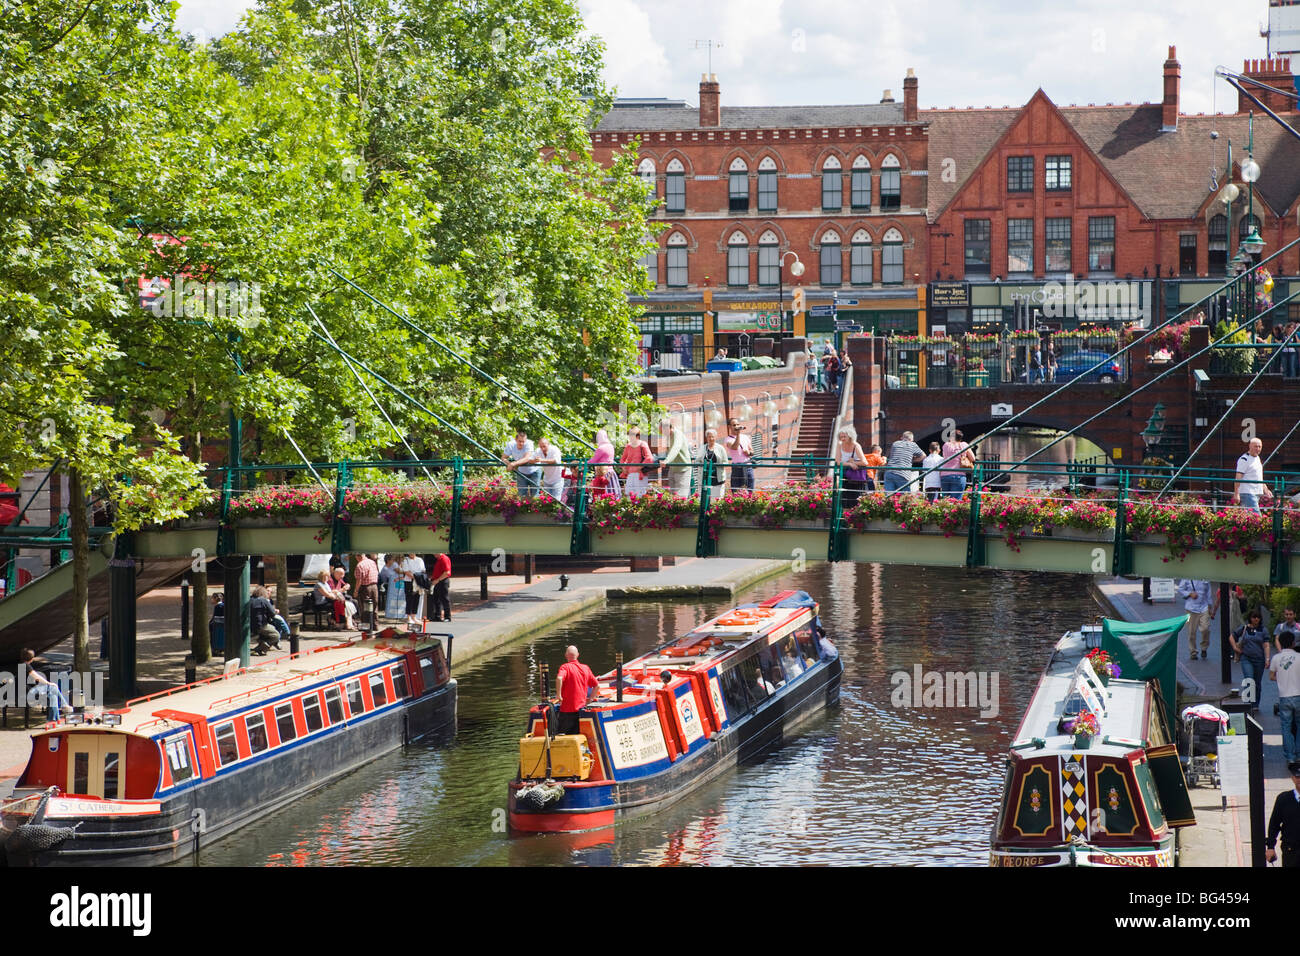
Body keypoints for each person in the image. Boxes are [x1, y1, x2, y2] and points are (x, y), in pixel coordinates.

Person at [1231, 610, 1271, 713]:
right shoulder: (1244, 628)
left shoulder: (1263, 630)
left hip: (1259, 659)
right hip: (1246, 658)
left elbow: (1266, 644)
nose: (1256, 619)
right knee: (1249, 679)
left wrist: (1267, 658)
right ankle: (1248, 703)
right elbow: (1232, 636)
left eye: (1258, 617)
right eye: (1254, 617)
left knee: (1257, 682)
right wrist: (1235, 648)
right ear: (1250, 618)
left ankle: (1255, 704)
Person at [1269, 632, 1300, 767]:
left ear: (1280, 643)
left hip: (1284, 696)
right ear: (1293, 643)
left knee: (1286, 727)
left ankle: (1290, 757)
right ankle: (1299, 754)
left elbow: (1271, 676)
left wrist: (1281, 678)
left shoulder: (1276, 658)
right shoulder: (1299, 657)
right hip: (1298, 695)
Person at [556, 645, 600, 736]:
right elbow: (597, 686)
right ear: (578, 655)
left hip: (566, 711)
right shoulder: (585, 668)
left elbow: (559, 678)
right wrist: (591, 699)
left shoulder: (565, 667)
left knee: (563, 737)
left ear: (566, 655)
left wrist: (559, 695)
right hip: (581, 711)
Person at [1264, 762, 1300, 868]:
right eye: (1297, 777)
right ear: (1292, 778)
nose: (1299, 780)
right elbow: (1274, 824)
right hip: (1291, 850)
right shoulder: (1283, 799)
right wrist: (1270, 846)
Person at [19, 649, 69, 721]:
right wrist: (48, 683)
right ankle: (64, 705)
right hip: (28, 691)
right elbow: (37, 677)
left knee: (52, 694)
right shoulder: (26, 666)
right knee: (53, 688)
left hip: (26, 690)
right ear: (32, 659)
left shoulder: (20, 665)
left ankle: (53, 719)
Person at [1176, 579, 1218, 661]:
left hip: (1204, 607)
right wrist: (1190, 594)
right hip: (1190, 608)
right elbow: (1180, 588)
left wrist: (1210, 606)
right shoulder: (1187, 577)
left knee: (1205, 628)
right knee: (1191, 631)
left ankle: (1204, 647)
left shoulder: (1205, 578)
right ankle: (1193, 652)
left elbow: (1208, 593)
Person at [1233, 437, 1271, 512]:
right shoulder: (1244, 459)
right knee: (1256, 517)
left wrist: (1266, 489)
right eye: (1255, 446)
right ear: (1250, 446)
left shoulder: (1257, 458)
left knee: (1251, 517)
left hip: (1256, 492)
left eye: (1259, 446)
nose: (1258, 449)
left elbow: (1258, 476)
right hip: (1248, 492)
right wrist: (1236, 493)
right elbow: (1238, 477)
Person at [837, 426, 871, 507]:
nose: (842, 439)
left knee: (856, 498)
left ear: (850, 436)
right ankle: (846, 517)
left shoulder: (856, 446)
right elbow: (838, 461)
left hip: (856, 476)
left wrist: (854, 462)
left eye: (844, 436)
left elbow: (865, 462)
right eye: (841, 437)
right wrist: (850, 464)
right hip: (845, 475)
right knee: (845, 499)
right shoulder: (840, 444)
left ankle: (855, 517)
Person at [503, 429, 541, 498]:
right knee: (521, 495)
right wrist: (509, 463)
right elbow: (503, 458)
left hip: (534, 470)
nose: (521, 443)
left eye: (523, 442)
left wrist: (513, 464)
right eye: (519, 441)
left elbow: (527, 458)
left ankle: (533, 508)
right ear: (515, 440)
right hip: (521, 471)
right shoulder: (511, 444)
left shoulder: (529, 443)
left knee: (535, 495)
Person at [619, 426, 655, 498]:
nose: (630, 436)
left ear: (638, 435)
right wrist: (623, 467)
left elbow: (649, 458)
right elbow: (622, 459)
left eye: (632, 434)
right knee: (629, 495)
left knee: (640, 495)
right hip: (630, 474)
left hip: (640, 474)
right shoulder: (628, 446)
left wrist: (640, 466)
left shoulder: (643, 444)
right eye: (629, 434)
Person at [249, 585, 283, 654]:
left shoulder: (250, 600)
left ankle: (263, 645)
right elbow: (272, 613)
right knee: (276, 635)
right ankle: (260, 647)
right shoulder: (263, 600)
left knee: (271, 629)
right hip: (262, 624)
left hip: (251, 625)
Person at [588, 429, 621, 499]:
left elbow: (593, 461)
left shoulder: (601, 448)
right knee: (613, 491)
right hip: (611, 472)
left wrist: (584, 463)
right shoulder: (611, 446)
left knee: (603, 492)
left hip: (602, 473)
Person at [724, 417, 755, 493]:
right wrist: (738, 435)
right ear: (729, 427)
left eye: (738, 424)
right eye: (734, 425)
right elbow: (734, 447)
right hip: (737, 467)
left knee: (750, 489)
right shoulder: (728, 439)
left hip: (748, 466)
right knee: (736, 490)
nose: (736, 426)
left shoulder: (745, 437)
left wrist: (749, 453)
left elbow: (752, 451)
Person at [940, 429, 972, 498]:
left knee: (945, 500)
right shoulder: (964, 445)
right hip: (959, 475)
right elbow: (973, 458)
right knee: (956, 501)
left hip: (945, 475)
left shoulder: (946, 445)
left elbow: (944, 456)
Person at [698, 428, 729, 493]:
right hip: (705, 477)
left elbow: (726, 462)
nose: (711, 439)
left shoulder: (720, 448)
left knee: (716, 499)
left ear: (716, 437)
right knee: (704, 497)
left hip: (718, 478)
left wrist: (717, 465)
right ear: (706, 437)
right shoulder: (702, 448)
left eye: (713, 437)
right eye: (709, 437)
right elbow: (697, 461)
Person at [535, 437, 565, 503]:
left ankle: (557, 513)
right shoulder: (538, 450)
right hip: (547, 480)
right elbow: (532, 459)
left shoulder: (555, 449)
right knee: (547, 500)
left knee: (556, 500)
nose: (542, 448)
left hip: (557, 479)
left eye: (544, 446)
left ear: (548, 444)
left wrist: (541, 460)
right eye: (541, 447)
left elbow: (555, 461)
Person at [401, 552, 427, 628]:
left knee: (416, 598)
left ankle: (414, 616)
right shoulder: (406, 560)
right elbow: (406, 571)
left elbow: (423, 570)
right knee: (409, 598)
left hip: (418, 581)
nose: (411, 553)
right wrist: (416, 578)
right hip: (409, 581)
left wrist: (418, 578)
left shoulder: (420, 560)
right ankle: (408, 617)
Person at [353, 553, 380, 626]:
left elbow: (359, 580)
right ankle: (375, 624)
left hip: (365, 588)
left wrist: (356, 591)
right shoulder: (372, 562)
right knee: (374, 606)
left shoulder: (360, 565)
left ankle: (366, 626)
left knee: (365, 607)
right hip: (374, 586)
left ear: (358, 556)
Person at [428, 552, 452, 622]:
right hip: (438, 581)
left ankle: (447, 617)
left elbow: (446, 572)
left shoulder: (444, 559)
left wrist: (437, 580)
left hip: (442, 581)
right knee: (436, 599)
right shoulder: (439, 559)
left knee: (444, 599)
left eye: (435, 553)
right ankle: (437, 615)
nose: (434, 555)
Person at [383, 556, 406, 620]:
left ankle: (400, 614)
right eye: (400, 557)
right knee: (393, 598)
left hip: (400, 582)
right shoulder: (394, 564)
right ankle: (391, 614)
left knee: (400, 597)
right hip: (393, 583)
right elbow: (399, 571)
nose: (401, 559)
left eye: (402, 558)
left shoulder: (401, 564)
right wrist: (407, 571)